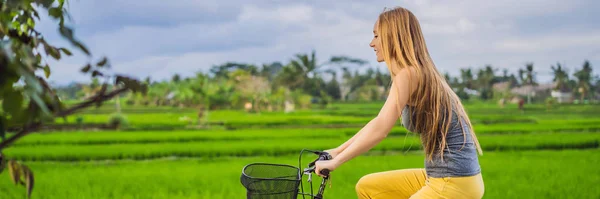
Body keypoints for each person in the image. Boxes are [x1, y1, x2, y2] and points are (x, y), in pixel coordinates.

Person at [314, 6, 485, 199]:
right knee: (368, 187)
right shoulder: (411, 73)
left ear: (393, 37)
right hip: (438, 177)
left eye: (377, 36)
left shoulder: (410, 74)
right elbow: (377, 121)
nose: (372, 43)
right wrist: (336, 152)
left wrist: (336, 162)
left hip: (455, 182)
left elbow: (380, 129)